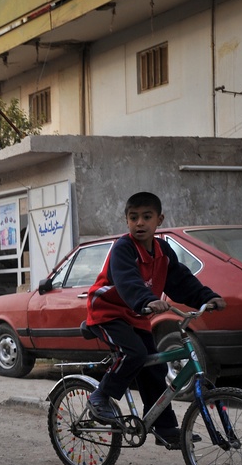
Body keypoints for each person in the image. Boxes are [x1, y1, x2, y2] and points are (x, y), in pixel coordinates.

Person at [84, 191, 226, 446]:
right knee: (135, 353)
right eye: (133, 217)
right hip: (108, 312)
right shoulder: (123, 249)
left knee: (155, 367)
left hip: (137, 315)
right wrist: (146, 301)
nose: (140, 223)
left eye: (146, 217)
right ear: (126, 220)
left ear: (159, 220)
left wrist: (207, 298)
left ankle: (165, 428)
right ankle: (100, 395)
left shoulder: (163, 250)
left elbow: (181, 281)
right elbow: (128, 281)